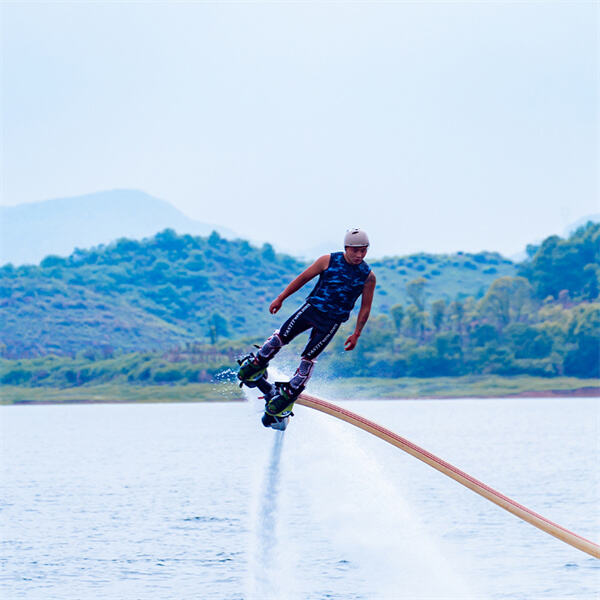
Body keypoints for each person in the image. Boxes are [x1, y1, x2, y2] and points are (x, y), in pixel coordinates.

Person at [237, 228, 376, 427]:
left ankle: (288, 396)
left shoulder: (368, 276)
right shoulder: (327, 260)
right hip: (310, 310)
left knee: (308, 360)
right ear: (346, 248)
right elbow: (302, 279)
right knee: (278, 339)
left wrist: (357, 334)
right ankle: (257, 364)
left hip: (331, 322)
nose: (359, 255)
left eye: (363, 250)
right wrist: (280, 298)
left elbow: (366, 307)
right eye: (355, 250)